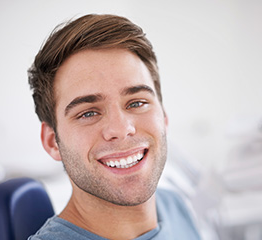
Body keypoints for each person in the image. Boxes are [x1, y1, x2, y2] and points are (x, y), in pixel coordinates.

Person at [28, 14, 200, 240]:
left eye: (137, 103)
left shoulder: (174, 206)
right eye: (88, 113)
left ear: (164, 115)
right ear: (52, 142)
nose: (121, 129)